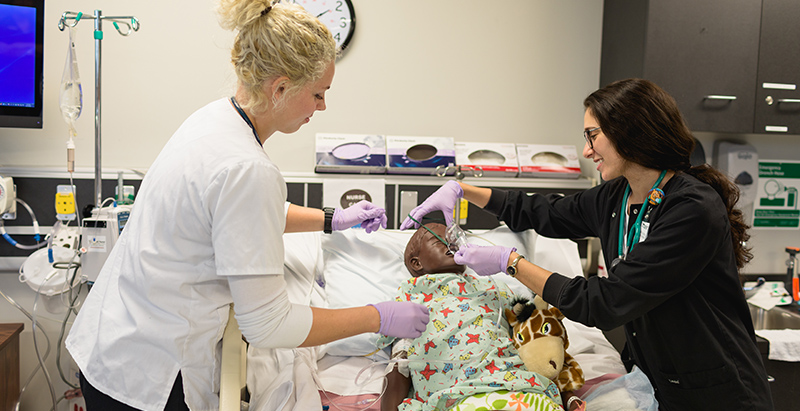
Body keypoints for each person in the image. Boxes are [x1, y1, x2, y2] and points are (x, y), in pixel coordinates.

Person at [65, 2, 429, 410]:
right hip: (149, 374)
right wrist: (377, 316)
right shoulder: (247, 169)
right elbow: (268, 324)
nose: (322, 106)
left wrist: (332, 219)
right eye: (318, 94)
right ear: (280, 88)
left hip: (112, 341)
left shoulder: (214, 119)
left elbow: (233, 217)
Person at [401, 78, 773, 410]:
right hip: (658, 381)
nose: (586, 151)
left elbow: (605, 303)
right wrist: (462, 190)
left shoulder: (692, 209)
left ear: (630, 132)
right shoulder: (616, 198)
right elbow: (541, 211)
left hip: (716, 391)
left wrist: (509, 262)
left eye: (592, 135)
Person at [378, 223, 583, 411]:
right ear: (416, 263)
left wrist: (568, 397)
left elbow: (537, 340)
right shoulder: (411, 294)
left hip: (517, 386)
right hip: (455, 394)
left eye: (453, 240)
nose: (452, 244)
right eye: (439, 241)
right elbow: (399, 357)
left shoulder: (491, 286)